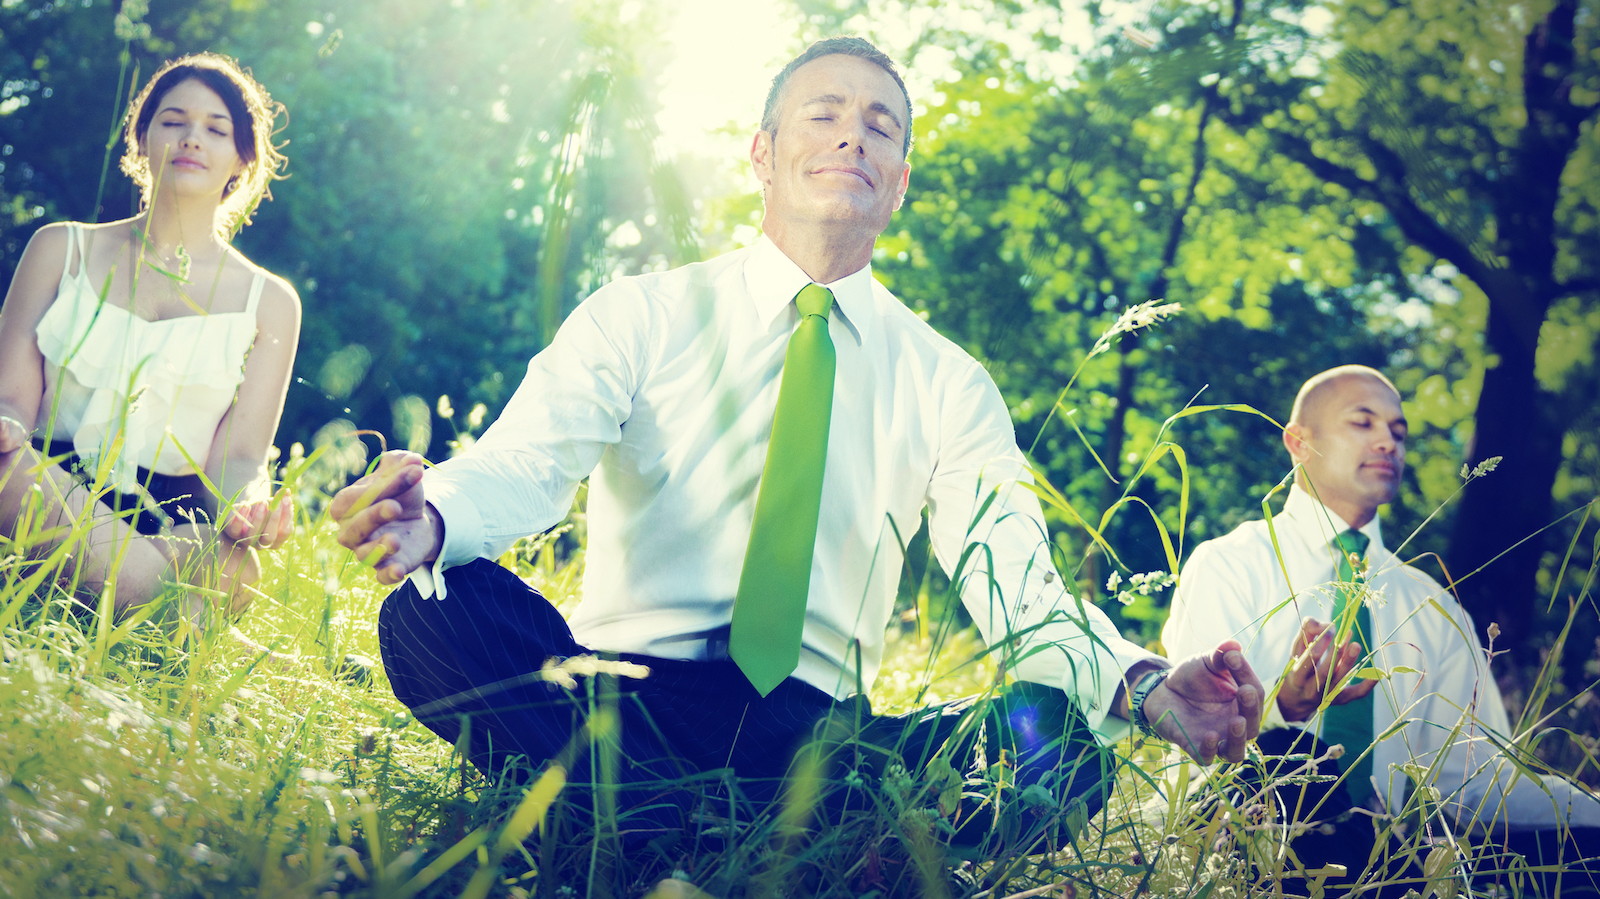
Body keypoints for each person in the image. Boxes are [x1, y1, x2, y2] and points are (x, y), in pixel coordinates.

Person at [332, 37, 1262, 847]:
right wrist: (435, 516)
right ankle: (730, 836)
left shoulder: (946, 380)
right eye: (825, 114)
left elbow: (1017, 587)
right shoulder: (642, 314)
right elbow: (530, 461)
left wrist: (1145, 683)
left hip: (825, 745)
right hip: (622, 702)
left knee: (1058, 743)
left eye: (882, 127)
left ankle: (654, 829)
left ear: (898, 185)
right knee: (431, 608)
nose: (854, 134)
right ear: (763, 155)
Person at [1163, 365, 1599, 894]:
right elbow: (1196, 742)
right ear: (1299, 443)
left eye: (1398, 431)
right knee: (1293, 762)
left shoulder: (1431, 605)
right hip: (1245, 844)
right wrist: (1282, 708)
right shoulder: (1229, 565)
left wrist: (1589, 810)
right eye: (1363, 422)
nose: (1387, 442)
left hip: (1397, 862)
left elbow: (1479, 780)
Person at [0, 52, 299, 619]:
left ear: (242, 157)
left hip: (169, 520)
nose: (192, 138)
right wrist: (8, 425)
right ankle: (141, 611)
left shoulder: (272, 302)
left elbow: (238, 459)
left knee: (236, 565)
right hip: (42, 486)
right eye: (172, 121)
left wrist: (249, 507)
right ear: (140, 139)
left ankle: (78, 592)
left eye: (217, 129)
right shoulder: (60, 248)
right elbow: (11, 398)